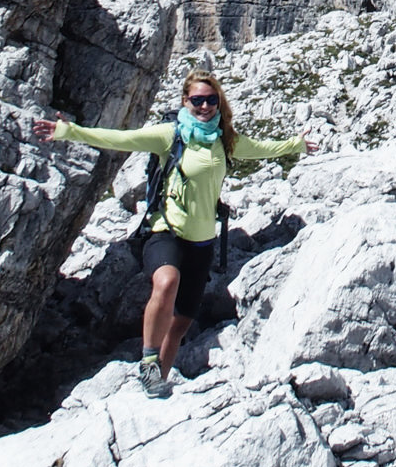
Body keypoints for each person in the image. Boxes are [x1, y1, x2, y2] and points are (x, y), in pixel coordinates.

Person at [30, 69, 317, 397]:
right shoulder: (170, 135)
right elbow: (121, 138)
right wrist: (69, 131)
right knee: (166, 282)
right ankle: (149, 361)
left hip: (202, 241)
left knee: (182, 321)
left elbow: (261, 148)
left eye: (211, 100)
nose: (205, 106)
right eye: (197, 100)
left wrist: (296, 144)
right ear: (185, 101)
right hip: (166, 231)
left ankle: (157, 383)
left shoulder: (225, 139)